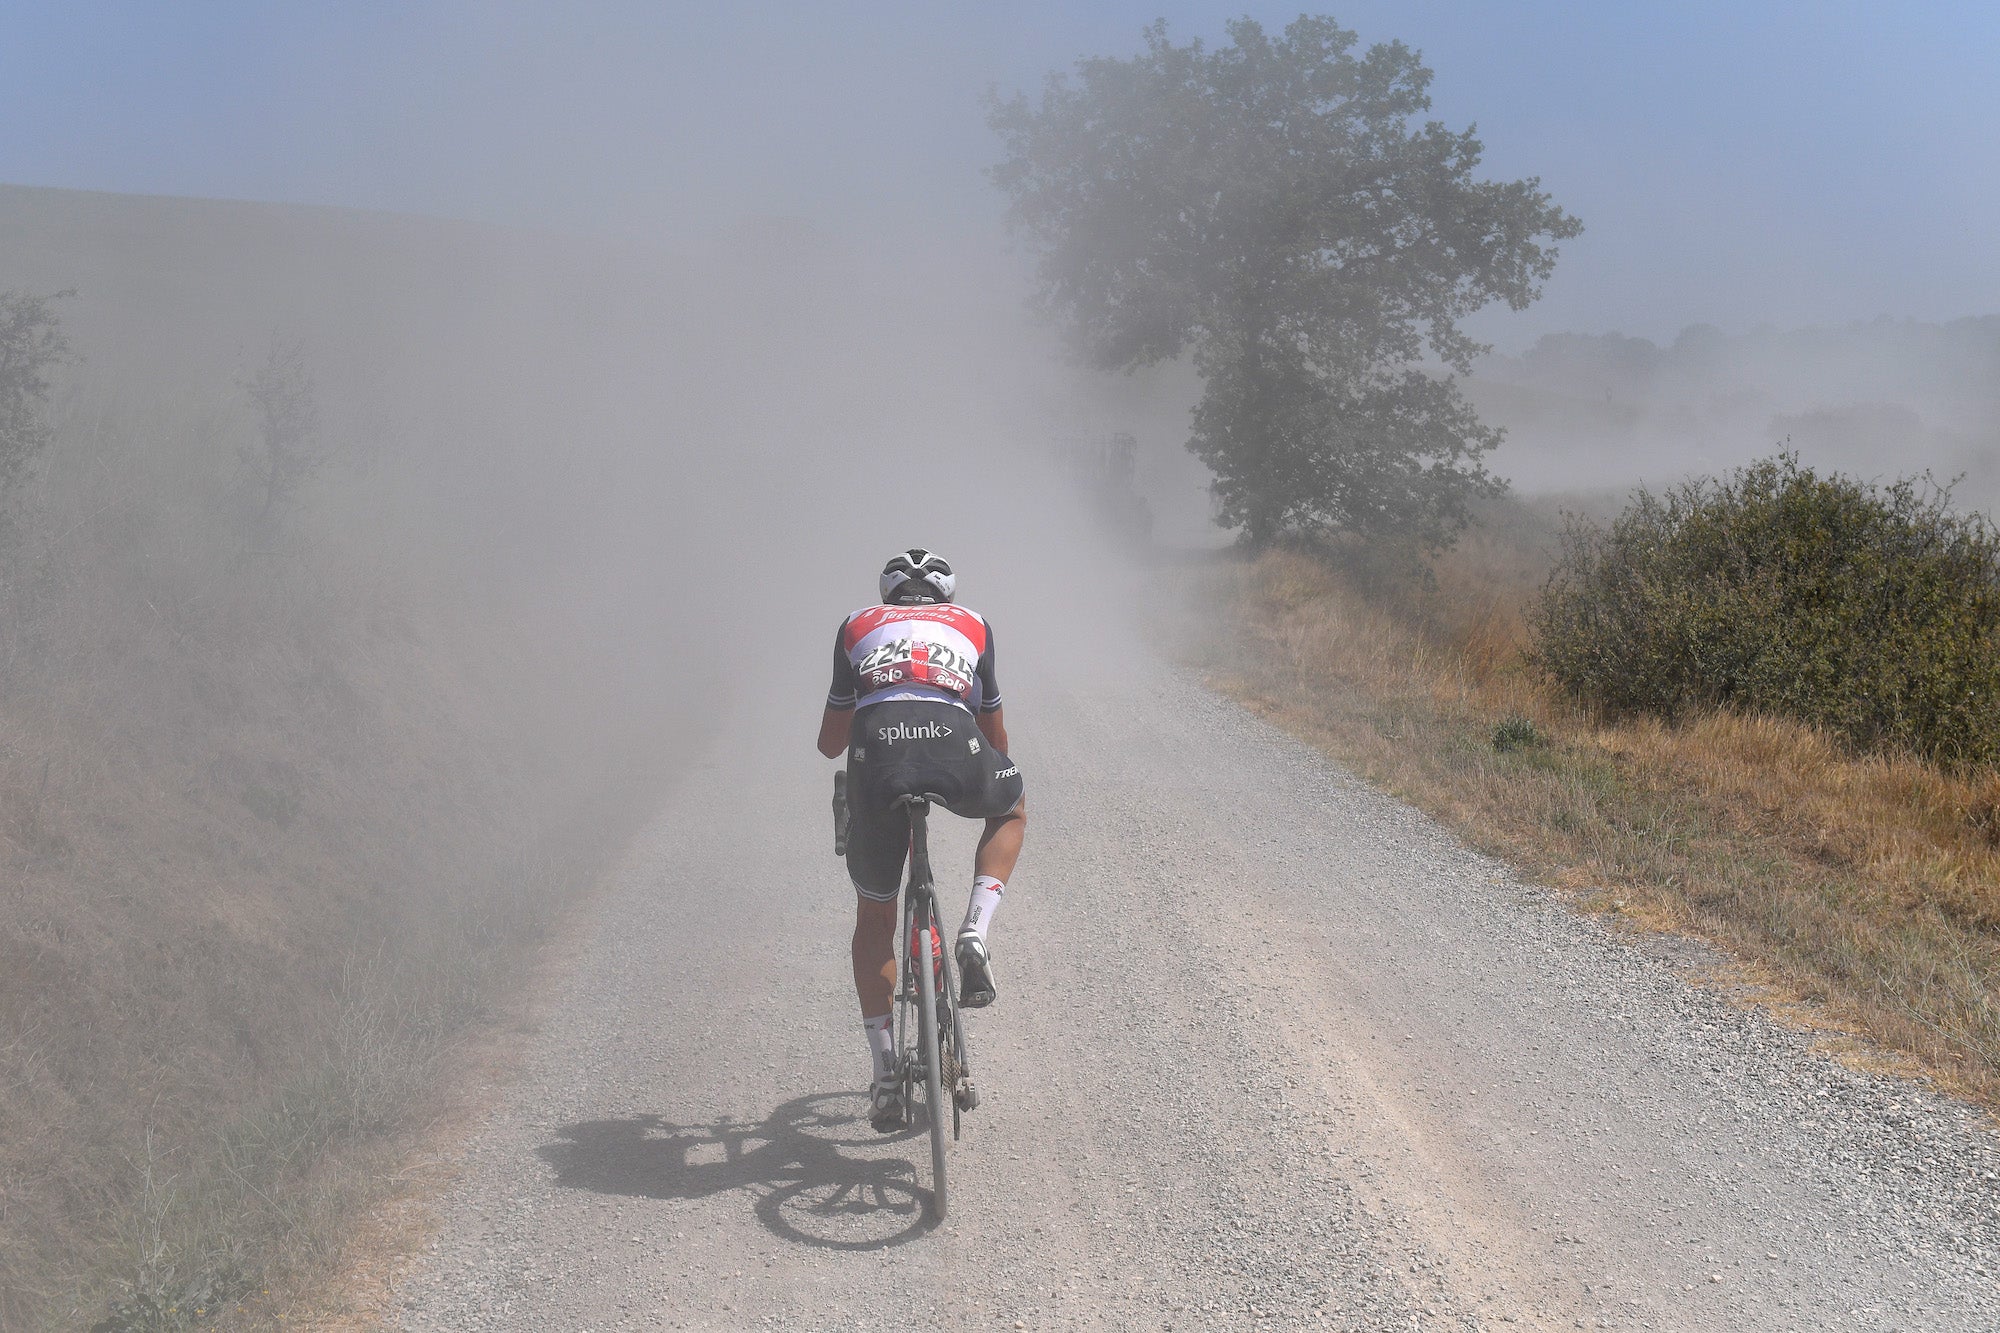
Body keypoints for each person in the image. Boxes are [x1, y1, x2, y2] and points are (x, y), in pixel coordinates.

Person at [816, 548, 1026, 1131]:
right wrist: (988, 765)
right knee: (1011, 809)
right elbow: (995, 731)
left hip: (878, 752)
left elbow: (831, 742)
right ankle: (973, 931)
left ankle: (885, 1074)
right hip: (950, 738)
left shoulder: (856, 624)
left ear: (886, 598)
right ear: (946, 598)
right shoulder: (974, 624)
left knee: (875, 919)